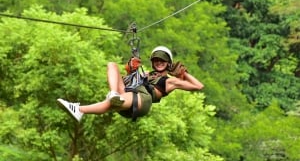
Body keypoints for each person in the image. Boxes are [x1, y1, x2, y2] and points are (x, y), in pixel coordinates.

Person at [57, 46, 204, 122]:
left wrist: (184, 74)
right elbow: (128, 81)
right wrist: (131, 69)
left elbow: (198, 86)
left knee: (114, 101)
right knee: (112, 65)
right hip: (130, 95)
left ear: (168, 63)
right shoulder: (147, 74)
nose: (159, 63)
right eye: (156, 60)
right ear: (152, 62)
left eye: (163, 61)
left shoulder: (170, 81)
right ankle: (112, 94)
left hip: (143, 100)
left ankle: (79, 109)